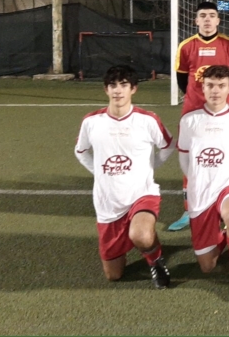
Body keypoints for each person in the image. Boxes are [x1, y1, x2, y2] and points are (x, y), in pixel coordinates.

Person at [74, 65, 174, 288]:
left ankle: (155, 260)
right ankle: (143, 241)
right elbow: (80, 151)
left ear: (133, 89)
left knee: (141, 235)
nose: (118, 90)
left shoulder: (147, 120)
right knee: (114, 275)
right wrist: (99, 172)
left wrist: (150, 167)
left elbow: (168, 145)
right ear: (106, 90)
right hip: (107, 203)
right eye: (113, 85)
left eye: (124, 85)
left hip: (141, 194)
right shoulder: (91, 122)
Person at [178, 65, 229, 301]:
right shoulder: (189, 120)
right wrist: (197, 181)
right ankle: (225, 235)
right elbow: (184, 160)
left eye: (221, 86)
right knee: (207, 265)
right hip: (200, 191)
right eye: (210, 85)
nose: (215, 91)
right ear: (202, 87)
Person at [171, 1, 229, 231]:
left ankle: (226, 201)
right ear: (196, 20)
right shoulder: (186, 46)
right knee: (193, 156)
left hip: (224, 111)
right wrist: (196, 98)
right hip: (193, 110)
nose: (207, 19)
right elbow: (182, 79)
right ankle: (190, 207)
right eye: (202, 15)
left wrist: (224, 98)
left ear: (218, 20)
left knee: (226, 156)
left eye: (212, 15)